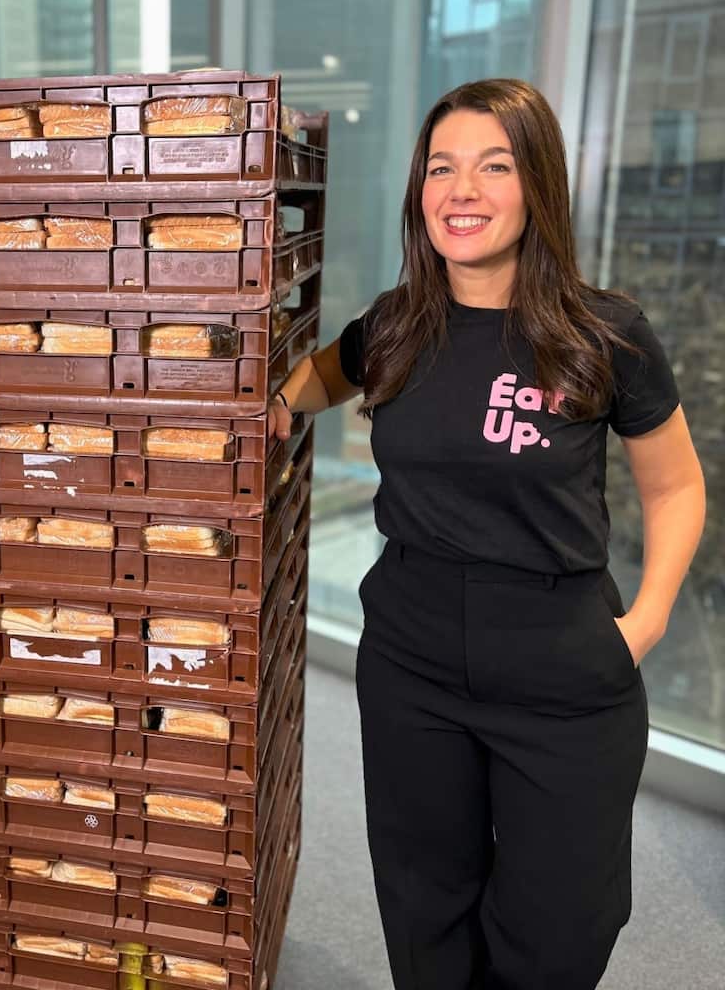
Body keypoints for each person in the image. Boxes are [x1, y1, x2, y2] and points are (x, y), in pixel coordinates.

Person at [270, 78, 706, 990]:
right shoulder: (393, 327)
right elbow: (308, 387)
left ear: (536, 184)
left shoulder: (603, 334)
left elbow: (673, 488)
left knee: (565, 923)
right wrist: (263, 408)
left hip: (562, 661)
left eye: (492, 166)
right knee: (424, 903)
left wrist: (650, 618)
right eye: (442, 168)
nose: (460, 190)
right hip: (413, 660)